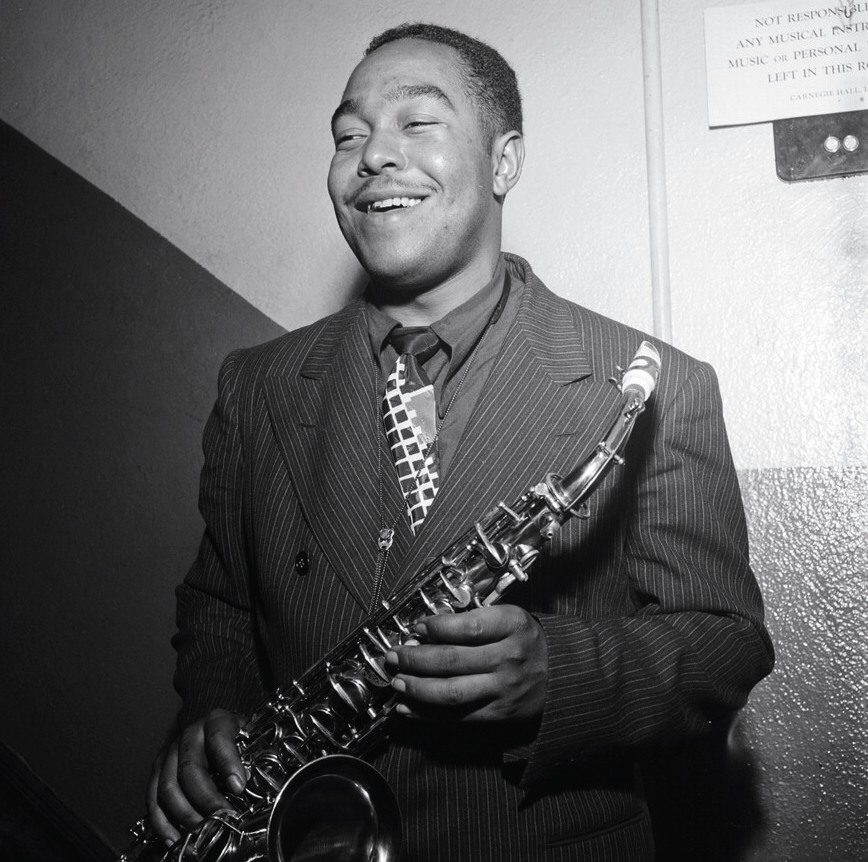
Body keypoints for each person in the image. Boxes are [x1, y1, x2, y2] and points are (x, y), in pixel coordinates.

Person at [146, 22, 774, 861]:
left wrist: (560, 674)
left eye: (417, 122)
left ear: (505, 161)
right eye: (348, 136)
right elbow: (220, 605)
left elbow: (727, 642)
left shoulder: (660, 385)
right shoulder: (255, 385)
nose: (373, 155)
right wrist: (210, 718)